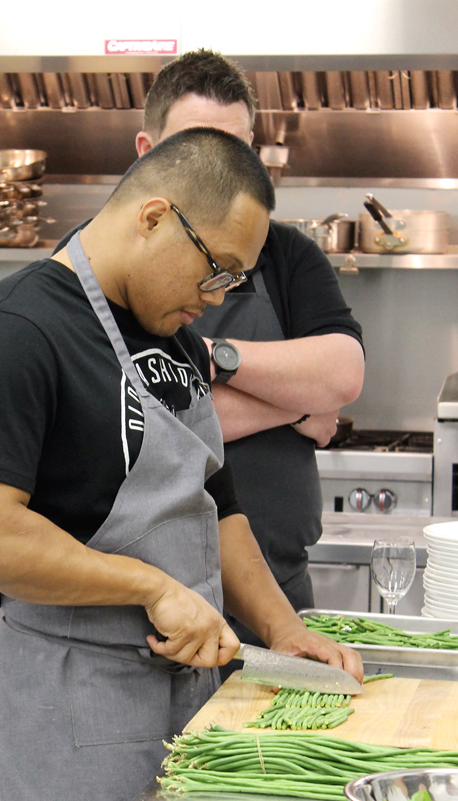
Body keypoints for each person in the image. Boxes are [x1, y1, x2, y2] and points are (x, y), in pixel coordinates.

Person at [0, 128, 363, 801]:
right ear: (156, 217)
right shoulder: (12, 333)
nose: (219, 294)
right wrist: (148, 585)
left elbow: (214, 500)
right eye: (216, 269)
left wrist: (283, 631)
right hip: (75, 701)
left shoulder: (166, 335)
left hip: (186, 691)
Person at [134, 51, 366, 654]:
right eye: (193, 148)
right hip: (153, 615)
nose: (216, 173)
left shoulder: (287, 255)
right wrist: (294, 407)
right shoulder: (108, 266)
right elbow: (148, 422)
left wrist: (211, 361)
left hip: (281, 603)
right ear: (144, 151)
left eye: (234, 150)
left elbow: (342, 373)